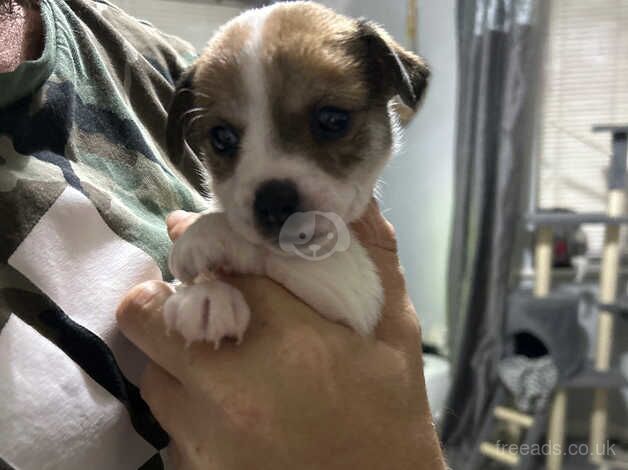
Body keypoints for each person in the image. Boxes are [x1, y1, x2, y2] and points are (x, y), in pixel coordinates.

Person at [0, 0, 446, 469]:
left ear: (390, 96)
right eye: (226, 142)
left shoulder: (140, 57)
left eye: (330, 123)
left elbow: (352, 318)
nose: (270, 182)